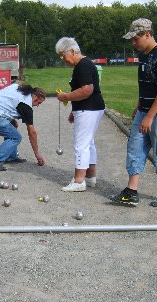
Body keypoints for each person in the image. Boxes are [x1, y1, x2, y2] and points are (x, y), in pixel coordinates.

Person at [109, 18, 157, 207]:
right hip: (145, 110)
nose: (133, 43)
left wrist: (149, 117)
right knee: (135, 147)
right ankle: (131, 191)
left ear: (147, 34)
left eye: (136, 39)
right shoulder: (144, 56)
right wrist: (139, 105)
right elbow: (146, 85)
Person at [55, 37, 105, 192]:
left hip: (88, 108)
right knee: (88, 143)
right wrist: (73, 110)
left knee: (80, 144)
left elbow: (87, 90)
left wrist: (66, 97)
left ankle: (78, 181)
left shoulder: (82, 65)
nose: (62, 59)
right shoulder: (84, 64)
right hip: (90, 108)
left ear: (71, 50)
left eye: (63, 55)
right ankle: (90, 177)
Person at [0, 83, 46, 171]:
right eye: (39, 103)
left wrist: (11, 119)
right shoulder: (26, 105)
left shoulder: (19, 87)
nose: (37, 105)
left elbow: (6, 101)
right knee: (15, 137)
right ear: (35, 98)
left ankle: (11, 156)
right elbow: (32, 132)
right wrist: (37, 154)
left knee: (12, 126)